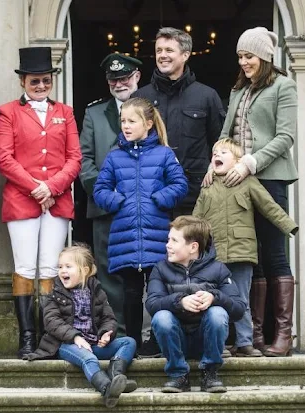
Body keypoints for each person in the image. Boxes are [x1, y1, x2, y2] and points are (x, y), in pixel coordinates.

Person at [204, 27, 298, 357]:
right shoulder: (238, 89)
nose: (243, 62)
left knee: (273, 253)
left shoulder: (284, 87)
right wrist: (213, 163)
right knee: (248, 256)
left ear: (265, 57)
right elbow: (226, 133)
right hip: (235, 181)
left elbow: (285, 137)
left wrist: (250, 163)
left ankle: (282, 334)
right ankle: (253, 335)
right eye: (240, 56)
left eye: (249, 56)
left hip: (269, 179)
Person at [0, 47, 82, 359]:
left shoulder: (65, 112)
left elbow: (75, 158)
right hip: (23, 200)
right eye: (35, 81)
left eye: (46, 80)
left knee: (49, 268)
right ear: (23, 82)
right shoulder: (8, 112)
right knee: (24, 267)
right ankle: (26, 337)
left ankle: (48, 334)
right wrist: (36, 188)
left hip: (56, 201)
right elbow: (4, 158)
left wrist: (52, 187)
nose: (41, 86)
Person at [93, 97, 188, 351]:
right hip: (126, 238)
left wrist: (159, 198)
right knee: (131, 295)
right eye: (122, 121)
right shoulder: (114, 157)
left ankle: (158, 342)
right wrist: (117, 201)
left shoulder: (164, 154)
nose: (125, 125)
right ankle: (133, 342)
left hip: (157, 238)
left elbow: (180, 185)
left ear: (148, 124)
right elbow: (100, 190)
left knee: (158, 293)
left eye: (131, 121)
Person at [193, 138, 298, 357]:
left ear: (239, 161)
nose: (217, 156)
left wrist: (289, 226)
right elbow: (196, 220)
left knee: (241, 300)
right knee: (215, 301)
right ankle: (218, 344)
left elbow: (269, 206)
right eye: (214, 153)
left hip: (242, 253)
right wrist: (188, 242)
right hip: (215, 257)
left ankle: (245, 342)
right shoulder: (207, 186)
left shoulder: (248, 183)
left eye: (224, 152)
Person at [26, 245, 137, 408]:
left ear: (84, 270)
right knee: (89, 358)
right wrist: (75, 336)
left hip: (93, 343)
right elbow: (51, 322)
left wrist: (106, 333)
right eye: (60, 267)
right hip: (65, 344)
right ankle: (106, 387)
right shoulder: (54, 293)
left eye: (68, 266)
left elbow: (109, 317)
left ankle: (115, 376)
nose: (63, 271)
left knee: (129, 342)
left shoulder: (97, 291)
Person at [79, 53, 142, 336]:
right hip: (105, 207)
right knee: (107, 271)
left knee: (145, 271)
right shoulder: (93, 113)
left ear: (137, 77)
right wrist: (105, 193)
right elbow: (85, 160)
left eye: (125, 78)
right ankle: (114, 331)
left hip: (142, 208)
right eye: (114, 79)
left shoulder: (152, 110)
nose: (120, 83)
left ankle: (146, 335)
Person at [146, 216, 246, 393]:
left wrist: (214, 297)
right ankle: (178, 375)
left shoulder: (219, 269)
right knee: (162, 317)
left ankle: (210, 373)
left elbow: (238, 309)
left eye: (174, 240)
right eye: (168, 239)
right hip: (176, 342)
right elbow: (152, 304)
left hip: (206, 341)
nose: (167, 245)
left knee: (218, 313)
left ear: (193, 247)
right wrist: (180, 301)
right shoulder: (160, 269)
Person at [133, 27, 225, 217]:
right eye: (159, 50)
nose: (162, 56)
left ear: (185, 55)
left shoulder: (207, 96)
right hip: (151, 193)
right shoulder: (141, 97)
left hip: (196, 196)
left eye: (169, 50)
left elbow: (219, 144)